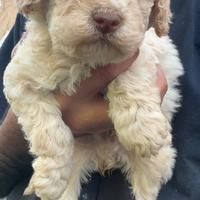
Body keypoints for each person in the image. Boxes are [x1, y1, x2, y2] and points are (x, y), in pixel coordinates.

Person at [0, 0, 200, 199]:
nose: (108, 15)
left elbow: (145, 57)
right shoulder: (34, 19)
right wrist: (48, 143)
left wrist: (133, 98)